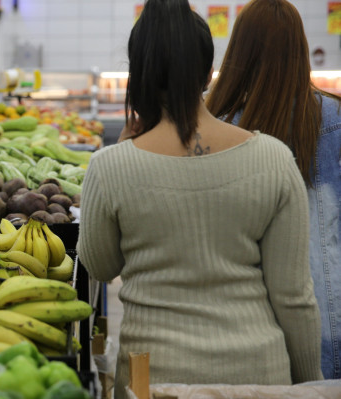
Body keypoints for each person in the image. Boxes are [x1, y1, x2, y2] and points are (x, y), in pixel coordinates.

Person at [77, 1, 323, 397]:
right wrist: (310, 384)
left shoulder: (110, 168)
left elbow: (101, 265)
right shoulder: (274, 159)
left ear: (137, 75)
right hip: (260, 375)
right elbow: (294, 298)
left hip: (152, 379)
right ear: (208, 74)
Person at [206, 0, 341, 380]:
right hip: (327, 325)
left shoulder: (213, 126)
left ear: (238, 53)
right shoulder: (333, 121)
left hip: (239, 335)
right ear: (299, 51)